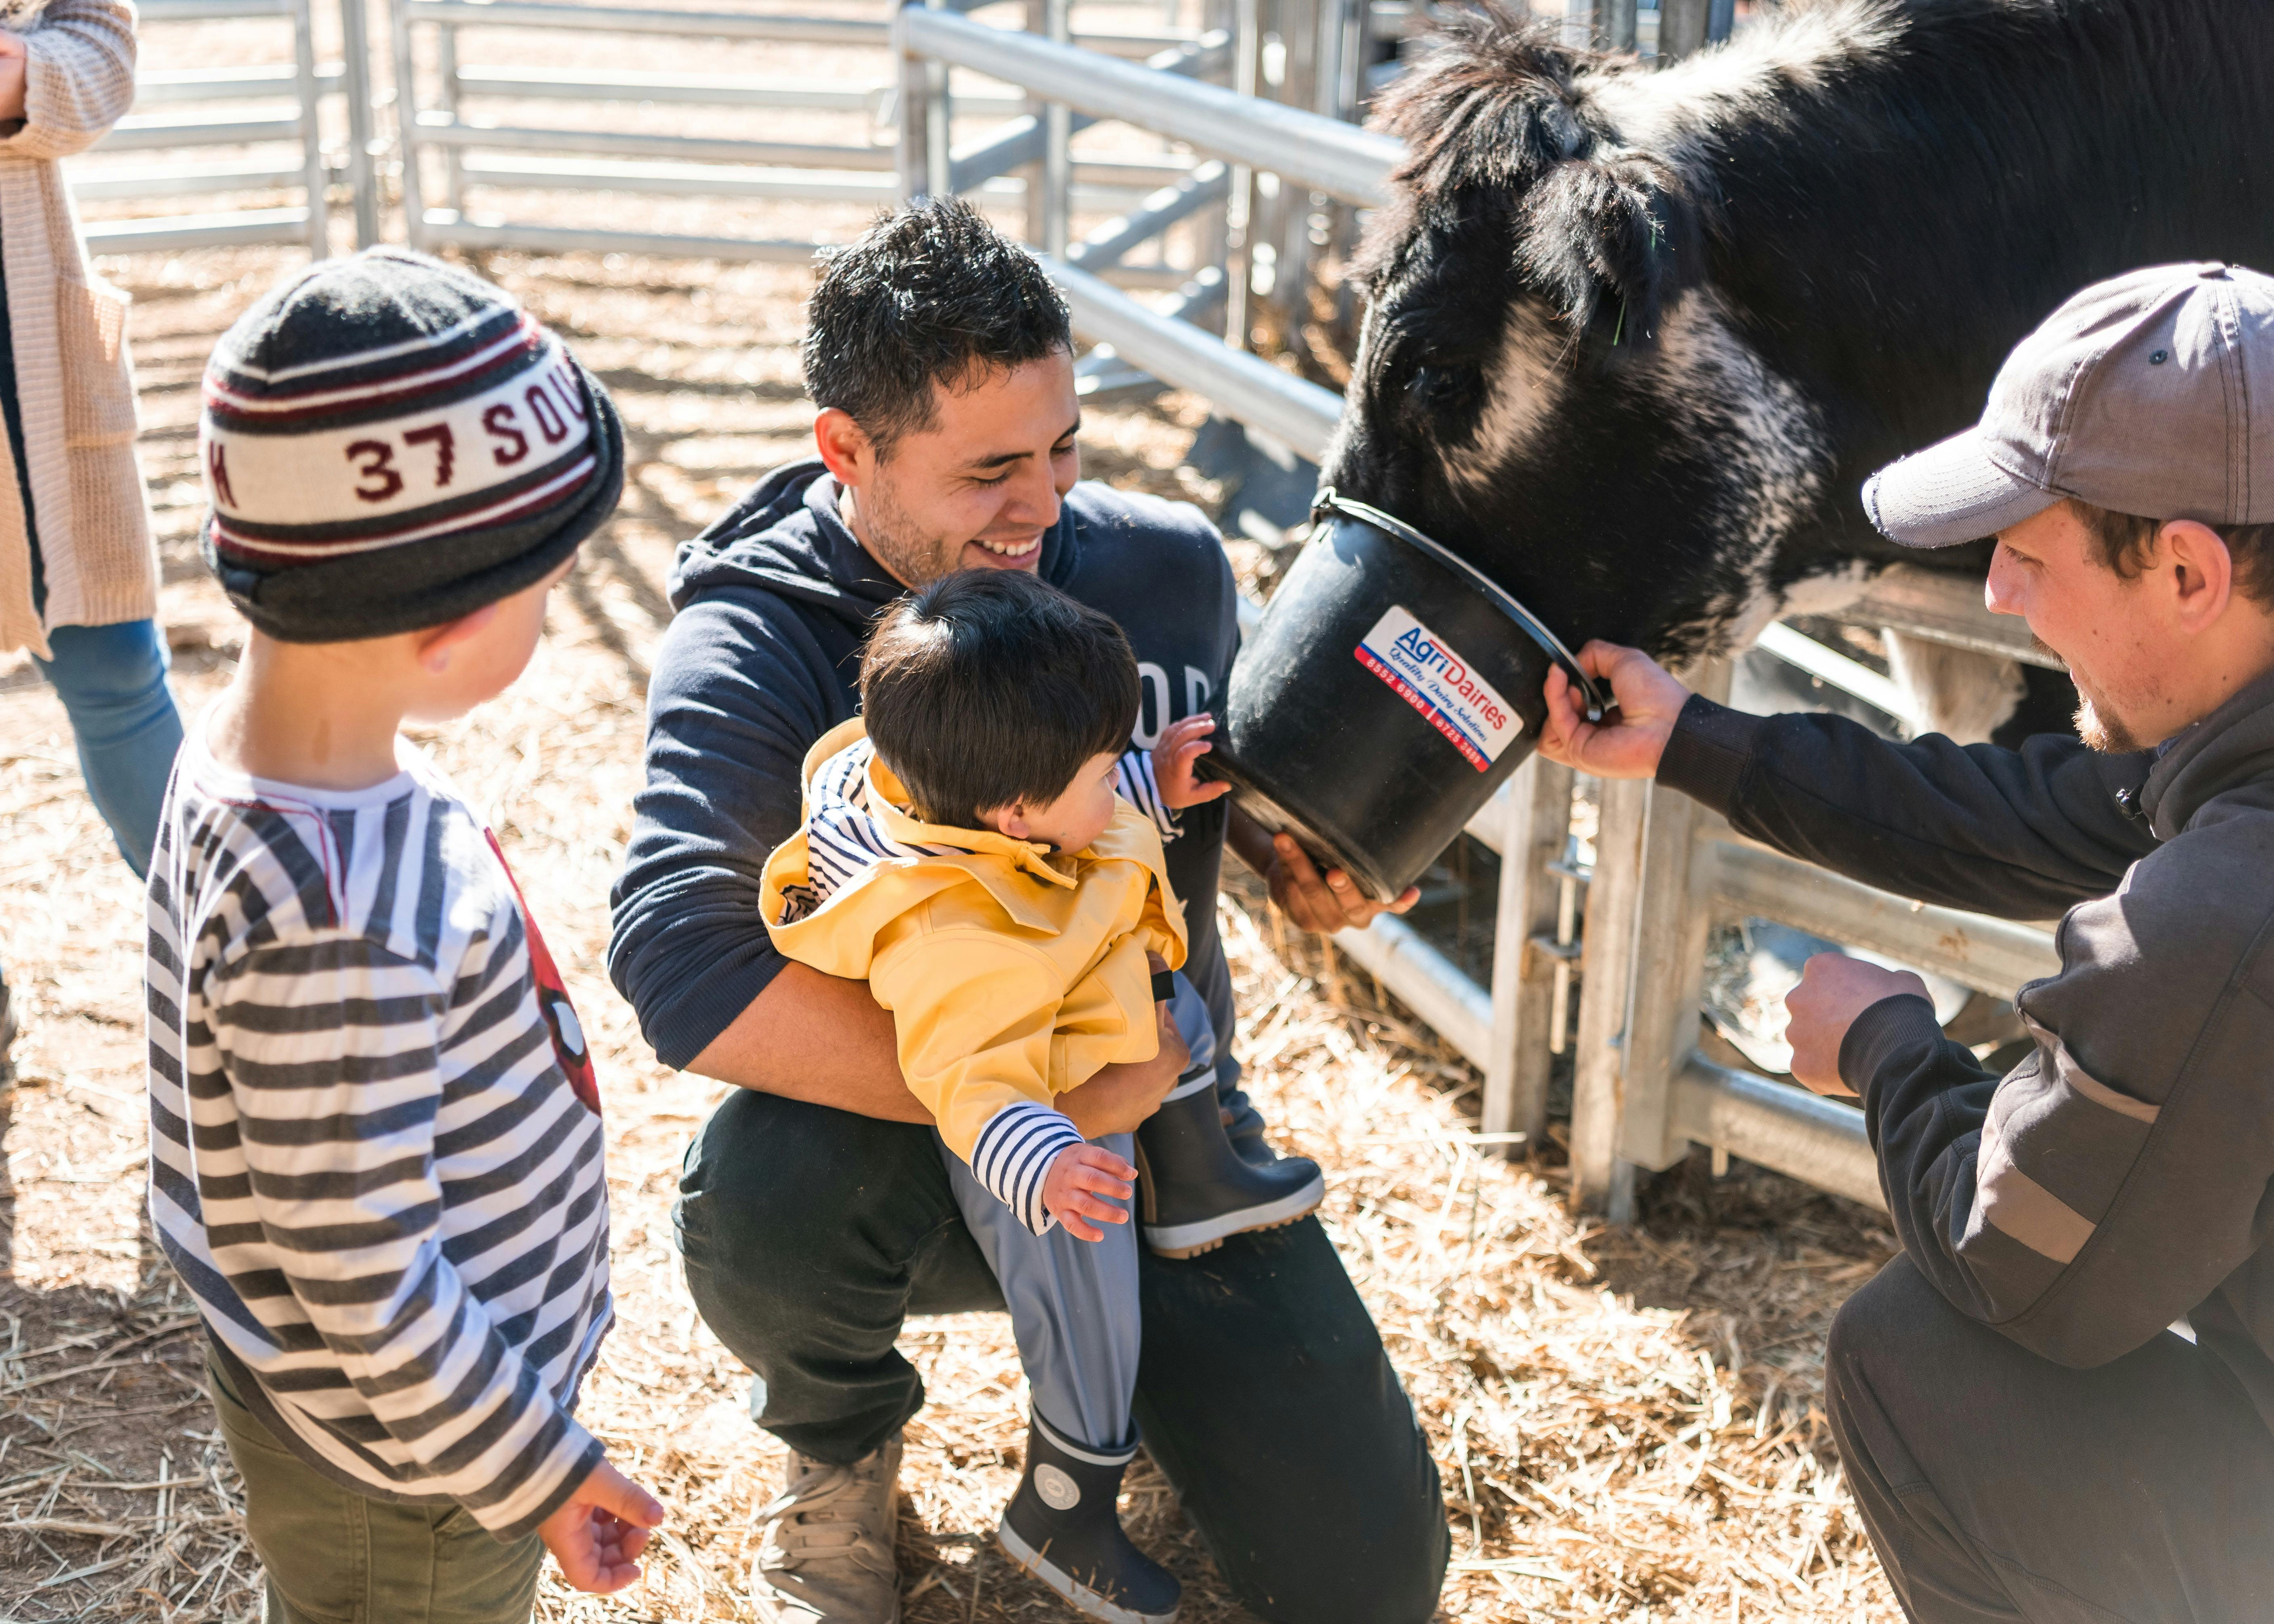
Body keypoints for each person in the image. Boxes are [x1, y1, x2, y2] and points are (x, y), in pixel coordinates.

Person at [609, 198, 1448, 1624]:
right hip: (932, 1139)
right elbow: (679, 966)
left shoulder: (1167, 568)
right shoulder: (755, 634)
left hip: (1169, 1137)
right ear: (846, 452)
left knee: (1366, 1586)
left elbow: (1196, 797)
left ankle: (1155, 1410)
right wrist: (1032, 1114)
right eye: (990, 470)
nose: (1044, 504)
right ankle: (840, 1443)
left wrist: (1301, 855)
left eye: (1064, 448)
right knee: (762, 1204)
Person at [1537, 261, 2274, 1621]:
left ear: (2186, 568)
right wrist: (1693, 744)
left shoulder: (2228, 907)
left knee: (1919, 1354)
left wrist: (1885, 1051)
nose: (1991, 594)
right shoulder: (2233, 764)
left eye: (2028, 550)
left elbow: (2022, 1266)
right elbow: (2029, 812)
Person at [145, 249, 663, 1623]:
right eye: (547, 588)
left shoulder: (259, 765)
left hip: (379, 1416)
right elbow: (366, 1279)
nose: (553, 613)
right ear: (448, 628)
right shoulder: (338, 918)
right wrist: (537, 1469)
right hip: (420, 1471)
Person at [762, 570, 1325, 1623]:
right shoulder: (956, 947)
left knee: (1184, 1026)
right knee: (1087, 1321)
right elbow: (970, 1088)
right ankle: (1065, 1509)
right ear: (1016, 812)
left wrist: (1150, 785)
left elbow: (1090, 823)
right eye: (1106, 769)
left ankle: (1202, 1173)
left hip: (1099, 1019)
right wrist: (1054, 1161)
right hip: (1053, 1127)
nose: (1115, 786)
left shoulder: (984, 798)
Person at [0, 0, 185, 1078]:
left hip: (22, 339)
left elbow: (102, 50)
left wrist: (18, 71)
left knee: (116, 673)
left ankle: (244, 972)